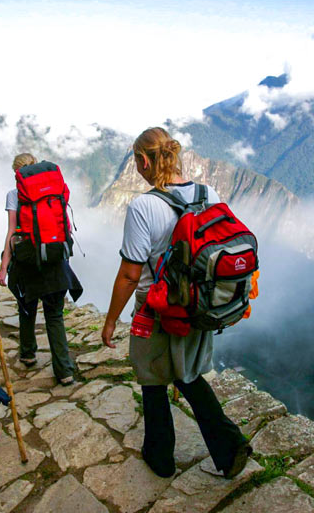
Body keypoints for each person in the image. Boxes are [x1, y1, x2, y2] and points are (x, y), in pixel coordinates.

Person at [100, 127, 251, 479]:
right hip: (200, 304)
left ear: (142, 161)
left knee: (152, 380)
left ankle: (160, 458)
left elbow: (129, 274)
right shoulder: (208, 193)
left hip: (156, 308)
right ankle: (229, 448)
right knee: (188, 374)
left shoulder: (143, 206)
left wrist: (110, 321)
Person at [0, 153, 78, 385]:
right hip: (55, 261)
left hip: (27, 262)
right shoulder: (56, 191)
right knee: (54, 316)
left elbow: (12, 232)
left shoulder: (14, 195)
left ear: (17, 174)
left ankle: (28, 353)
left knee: (26, 308)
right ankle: (64, 370)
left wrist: (3, 267)